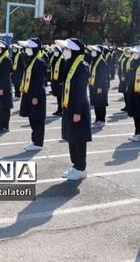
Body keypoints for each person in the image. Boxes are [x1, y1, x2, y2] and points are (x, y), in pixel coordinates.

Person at [57, 38, 92, 181]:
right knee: (71, 137)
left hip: (78, 108)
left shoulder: (81, 67)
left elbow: (81, 92)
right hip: (69, 106)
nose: (65, 51)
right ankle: (75, 165)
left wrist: (78, 112)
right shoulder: (70, 64)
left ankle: (81, 167)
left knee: (78, 139)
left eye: (68, 49)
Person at [18, 38, 47, 151]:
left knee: (37, 119)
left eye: (29, 47)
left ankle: (38, 142)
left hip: (36, 95)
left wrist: (35, 96)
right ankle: (34, 140)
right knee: (32, 118)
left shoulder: (39, 62)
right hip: (28, 93)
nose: (27, 49)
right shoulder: (31, 60)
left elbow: (39, 81)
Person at [87, 45, 110, 126]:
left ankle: (102, 120)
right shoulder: (93, 60)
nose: (92, 52)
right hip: (93, 85)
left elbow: (102, 76)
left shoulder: (102, 62)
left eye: (94, 50)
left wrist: (99, 87)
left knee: (101, 103)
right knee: (96, 103)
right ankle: (97, 119)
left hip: (100, 86)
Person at [49, 45, 64, 116]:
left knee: (61, 96)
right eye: (55, 51)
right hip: (55, 80)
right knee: (58, 96)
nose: (55, 52)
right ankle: (59, 110)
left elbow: (63, 71)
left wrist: (61, 80)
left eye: (57, 51)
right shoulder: (54, 58)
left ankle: (62, 110)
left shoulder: (62, 59)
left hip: (60, 81)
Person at [118, 47, 132, 112]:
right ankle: (126, 106)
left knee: (129, 94)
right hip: (123, 79)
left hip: (129, 79)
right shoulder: (123, 59)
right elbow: (120, 70)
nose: (127, 53)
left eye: (128, 51)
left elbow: (131, 71)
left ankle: (130, 107)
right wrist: (121, 77)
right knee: (125, 94)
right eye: (126, 51)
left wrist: (125, 77)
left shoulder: (132, 59)